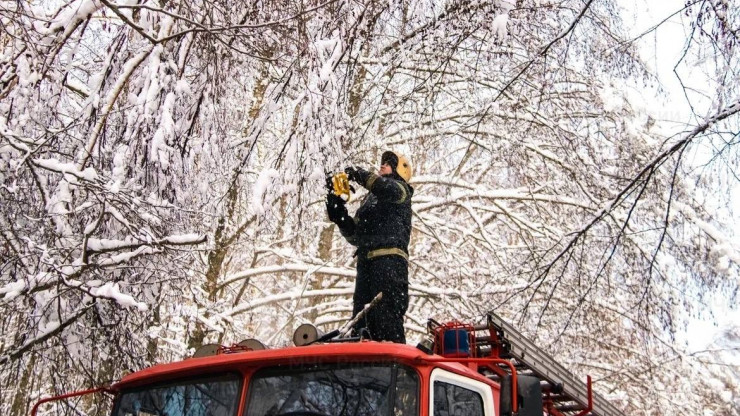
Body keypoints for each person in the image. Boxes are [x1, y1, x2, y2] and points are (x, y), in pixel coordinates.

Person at [326, 151, 414, 343]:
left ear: (400, 171)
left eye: (388, 163)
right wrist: (337, 211)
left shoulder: (401, 191)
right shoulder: (370, 201)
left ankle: (393, 360)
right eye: (382, 163)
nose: (382, 166)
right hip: (366, 264)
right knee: (360, 321)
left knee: (386, 317)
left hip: (390, 263)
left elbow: (384, 188)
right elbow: (355, 235)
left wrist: (358, 174)